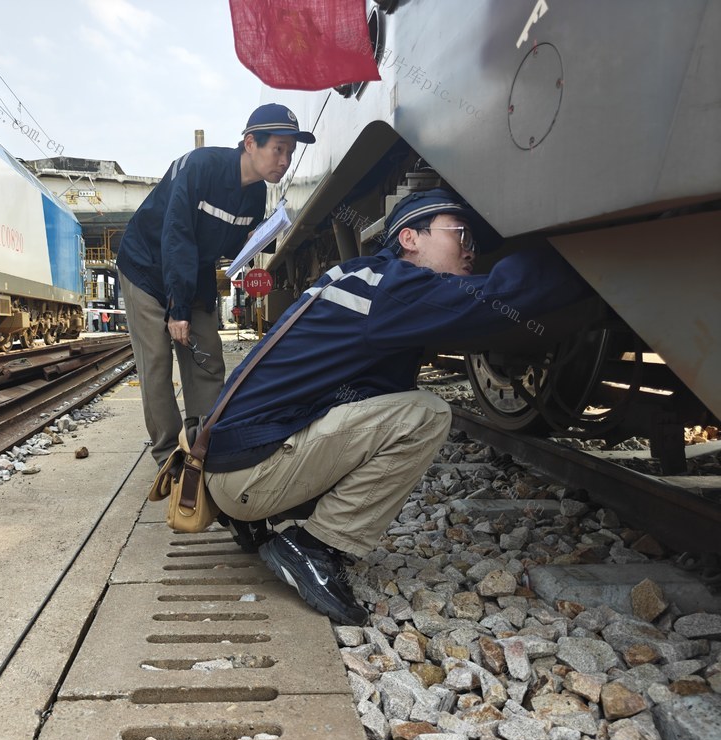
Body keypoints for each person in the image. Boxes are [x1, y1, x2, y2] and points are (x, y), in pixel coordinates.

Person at [202, 188, 594, 625]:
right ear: (410, 238)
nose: (471, 253)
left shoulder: (363, 277)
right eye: (461, 236)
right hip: (250, 477)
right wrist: (584, 249)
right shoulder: (393, 289)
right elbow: (509, 296)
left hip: (231, 473)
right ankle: (315, 547)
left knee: (383, 409)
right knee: (424, 415)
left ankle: (258, 518)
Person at [115, 103, 315, 466]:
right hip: (146, 266)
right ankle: (169, 458)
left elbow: (223, 251)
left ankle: (203, 448)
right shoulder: (200, 167)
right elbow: (176, 237)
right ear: (250, 143)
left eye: (291, 151)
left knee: (207, 358)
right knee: (158, 362)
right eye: (278, 149)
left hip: (193, 271)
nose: (285, 160)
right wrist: (177, 311)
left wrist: (256, 239)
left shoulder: (255, 196)